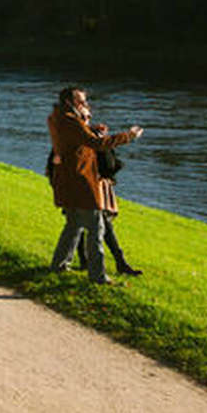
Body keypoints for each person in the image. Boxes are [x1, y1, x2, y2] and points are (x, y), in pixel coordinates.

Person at [48, 87, 142, 284]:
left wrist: (88, 127)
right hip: (80, 181)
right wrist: (128, 136)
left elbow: (75, 140)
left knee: (73, 226)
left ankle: (59, 264)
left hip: (66, 180)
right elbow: (97, 144)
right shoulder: (71, 121)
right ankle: (98, 276)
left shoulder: (57, 118)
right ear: (69, 102)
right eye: (81, 101)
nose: (85, 105)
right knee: (96, 227)